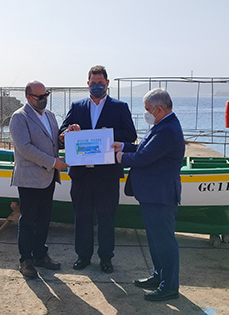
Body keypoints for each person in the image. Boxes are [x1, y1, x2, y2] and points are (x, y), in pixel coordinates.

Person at [59, 65, 137, 273]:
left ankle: (106, 258)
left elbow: (130, 135)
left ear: (107, 84)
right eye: (93, 83)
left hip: (107, 174)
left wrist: (109, 134)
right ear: (87, 84)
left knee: (106, 218)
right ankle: (83, 256)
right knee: (82, 216)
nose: (96, 87)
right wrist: (68, 131)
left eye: (100, 83)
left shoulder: (119, 107)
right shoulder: (77, 106)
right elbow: (62, 133)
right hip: (81, 173)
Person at [111, 88, 185, 301]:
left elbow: (143, 157)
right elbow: (144, 147)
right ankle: (158, 276)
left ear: (159, 109)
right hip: (153, 194)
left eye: (148, 110)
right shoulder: (162, 125)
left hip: (160, 196)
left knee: (164, 241)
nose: (146, 114)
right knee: (155, 240)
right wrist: (123, 145)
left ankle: (169, 286)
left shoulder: (167, 130)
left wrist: (120, 157)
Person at [9, 80, 69, 279]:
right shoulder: (19, 118)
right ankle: (25, 259)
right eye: (40, 96)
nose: (44, 99)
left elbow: (54, 142)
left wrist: (63, 138)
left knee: (44, 218)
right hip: (29, 178)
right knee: (28, 220)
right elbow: (25, 148)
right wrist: (53, 162)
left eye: (46, 95)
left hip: (48, 177)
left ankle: (40, 254)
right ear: (28, 98)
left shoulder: (50, 116)